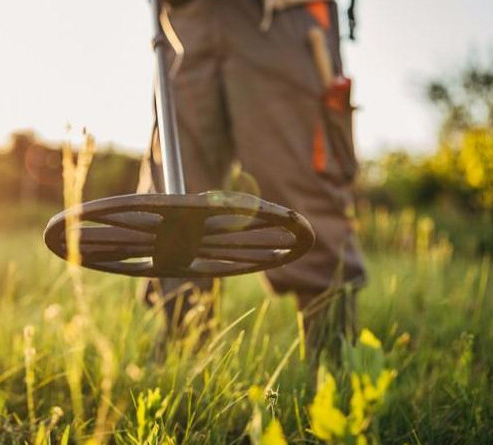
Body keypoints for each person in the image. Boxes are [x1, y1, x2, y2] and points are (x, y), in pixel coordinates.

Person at [137, 0, 366, 368]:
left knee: (304, 186)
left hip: (283, 17)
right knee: (176, 197)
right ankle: (184, 369)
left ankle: (335, 374)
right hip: (186, 18)